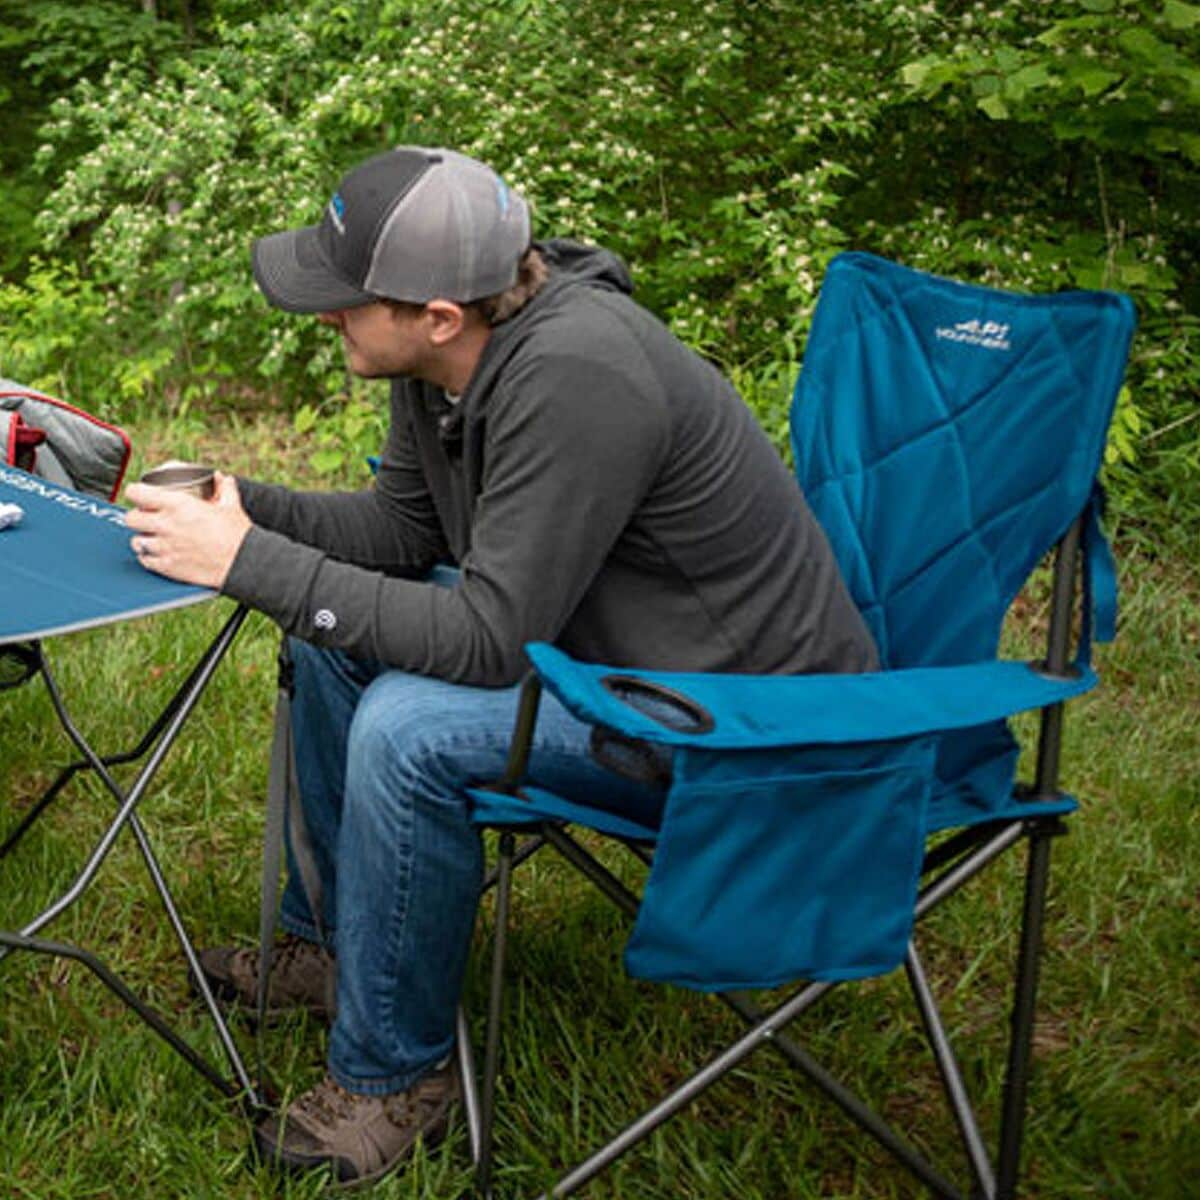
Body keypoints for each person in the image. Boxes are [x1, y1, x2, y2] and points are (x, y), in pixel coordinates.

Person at [125, 145, 878, 1187]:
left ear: (438, 312)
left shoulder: (579, 375)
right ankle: (340, 950)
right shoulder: (450, 359)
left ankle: (394, 1079)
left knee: (408, 728)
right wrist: (250, 510)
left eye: (348, 300)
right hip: (608, 660)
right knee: (329, 641)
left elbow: (486, 640)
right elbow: (399, 529)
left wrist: (251, 563)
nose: (324, 316)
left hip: (738, 725)